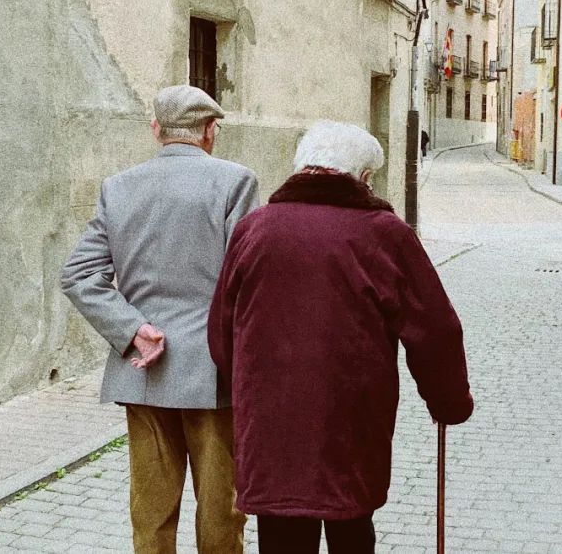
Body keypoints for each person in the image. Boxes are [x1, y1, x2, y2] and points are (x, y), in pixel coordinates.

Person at [208, 121, 473, 554]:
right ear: (364, 178)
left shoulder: (254, 229)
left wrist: (245, 388)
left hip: (271, 423)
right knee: (351, 525)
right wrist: (448, 401)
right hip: (351, 422)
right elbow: (436, 329)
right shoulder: (385, 234)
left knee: (280, 531)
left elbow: (222, 328)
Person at [61, 85, 259, 554]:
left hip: (144, 370)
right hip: (215, 373)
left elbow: (78, 274)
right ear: (211, 131)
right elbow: (247, 277)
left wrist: (131, 330)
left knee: (150, 515)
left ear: (156, 130)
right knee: (220, 513)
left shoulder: (118, 186)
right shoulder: (236, 182)